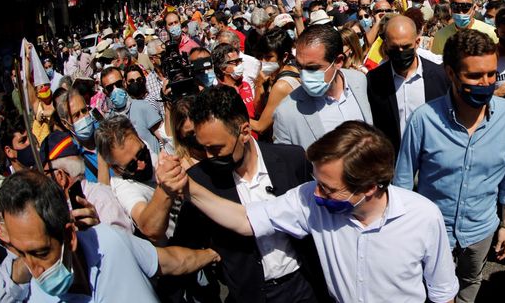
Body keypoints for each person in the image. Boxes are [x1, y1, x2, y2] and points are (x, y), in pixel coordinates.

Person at [175, 120, 459, 303]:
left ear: (370, 187)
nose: (316, 193)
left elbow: (442, 293)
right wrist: (189, 188)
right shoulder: (309, 200)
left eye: (329, 189)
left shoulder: (423, 217)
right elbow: (244, 219)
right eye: (316, 182)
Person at [394, 29, 505, 303]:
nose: (486, 83)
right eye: (474, 76)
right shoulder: (424, 120)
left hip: (481, 229)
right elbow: (403, 183)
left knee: (470, 281)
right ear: (451, 74)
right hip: (432, 232)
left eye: (491, 74)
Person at [164, 86, 320, 302]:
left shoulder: (291, 160)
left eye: (217, 148)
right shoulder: (199, 181)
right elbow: (184, 244)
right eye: (204, 147)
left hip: (305, 286)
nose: (209, 156)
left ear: (244, 132)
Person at [0, 169, 219, 302]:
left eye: (41, 252)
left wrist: (213, 254)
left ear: (70, 237)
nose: (34, 269)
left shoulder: (109, 238)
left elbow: (171, 261)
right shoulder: (34, 297)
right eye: (21, 253)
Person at [272, 24, 372, 149]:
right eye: (299, 66)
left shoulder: (359, 80)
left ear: (338, 61)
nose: (304, 75)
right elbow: (286, 164)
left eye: (312, 68)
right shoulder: (285, 113)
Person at [366, 16, 448, 152]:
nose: (400, 52)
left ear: (417, 42)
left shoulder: (441, 76)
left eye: (406, 47)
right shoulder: (374, 80)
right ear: (385, 45)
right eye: (394, 47)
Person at [95, 115, 180, 242]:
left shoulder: (136, 146)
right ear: (117, 169)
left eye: (142, 154)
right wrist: (165, 189)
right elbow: (148, 227)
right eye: (132, 165)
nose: (142, 164)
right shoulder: (124, 188)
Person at [39, 131, 133, 233]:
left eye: (45, 174)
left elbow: (123, 241)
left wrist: (97, 230)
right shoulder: (56, 210)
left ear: (60, 176)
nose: (42, 181)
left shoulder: (100, 197)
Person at [100, 66, 165, 155]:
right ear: (105, 92)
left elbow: (164, 138)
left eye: (118, 84)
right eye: (110, 88)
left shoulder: (142, 106)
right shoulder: (109, 123)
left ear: (124, 83)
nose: (116, 90)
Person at [249, 28, 300, 139]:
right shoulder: (294, 68)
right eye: (261, 56)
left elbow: (260, 127)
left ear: (285, 56)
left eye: (268, 57)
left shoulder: (282, 85)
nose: (263, 61)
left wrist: (234, 120)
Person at [430, 0, 498, 54]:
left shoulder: (490, 33)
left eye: (465, 8)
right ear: (450, 10)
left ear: (474, 8)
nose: (461, 13)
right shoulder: (440, 35)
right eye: (455, 8)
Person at [211, 42, 260, 119]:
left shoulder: (246, 84)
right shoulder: (217, 94)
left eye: (239, 60)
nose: (240, 65)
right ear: (222, 68)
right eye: (235, 62)